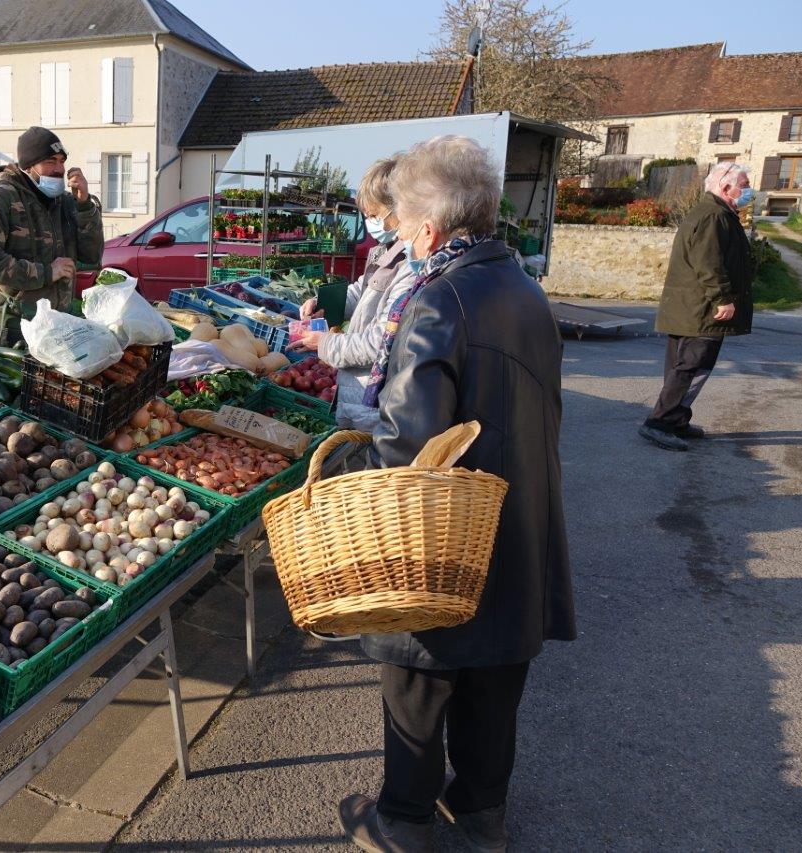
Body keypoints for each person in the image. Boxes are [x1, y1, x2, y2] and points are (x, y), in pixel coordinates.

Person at [337, 136, 574, 853]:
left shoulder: (439, 301)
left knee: (419, 673)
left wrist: (358, 484)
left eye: (403, 225)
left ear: (430, 229)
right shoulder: (525, 289)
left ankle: (404, 819)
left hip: (448, 531)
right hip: (520, 515)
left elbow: (409, 444)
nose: (399, 238)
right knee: (495, 674)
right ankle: (479, 813)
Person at [289, 157, 414, 431]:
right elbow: (362, 291)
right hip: (358, 398)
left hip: (377, 403)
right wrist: (323, 304)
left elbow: (379, 342)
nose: (370, 222)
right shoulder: (389, 250)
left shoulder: (412, 266)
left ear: (400, 208)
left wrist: (324, 343)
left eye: (374, 214)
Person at [638, 161, 753, 451]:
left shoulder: (715, 212)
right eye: (745, 185)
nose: (749, 191)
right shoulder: (714, 216)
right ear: (726, 188)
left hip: (692, 308)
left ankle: (675, 419)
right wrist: (723, 298)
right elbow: (708, 262)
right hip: (701, 309)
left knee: (682, 366)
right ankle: (660, 423)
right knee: (692, 367)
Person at [0, 126, 104, 343]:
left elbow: (92, 256)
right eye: (50, 161)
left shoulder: (65, 202)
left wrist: (85, 206)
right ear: (28, 166)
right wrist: (46, 273)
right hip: (15, 327)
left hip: (60, 324)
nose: (59, 169)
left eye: (62, 161)